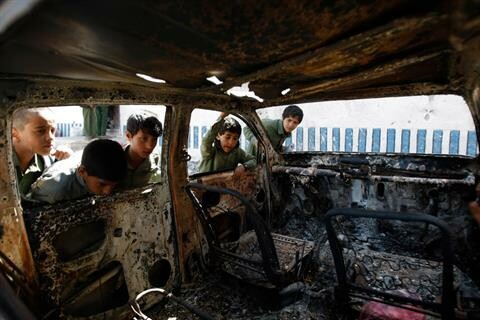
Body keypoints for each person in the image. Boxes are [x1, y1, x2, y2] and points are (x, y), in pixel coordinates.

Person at [29, 139, 127, 204]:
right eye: (102, 184)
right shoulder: (54, 191)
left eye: (113, 185)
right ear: (82, 171)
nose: (108, 192)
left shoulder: (97, 165)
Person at [12, 108, 71, 195]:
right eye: (40, 131)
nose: (50, 137)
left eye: (52, 130)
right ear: (14, 133)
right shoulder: (3, 161)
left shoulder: (52, 160)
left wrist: (68, 161)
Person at [121, 114, 162, 188]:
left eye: (154, 139)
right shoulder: (115, 159)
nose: (150, 146)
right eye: (144, 138)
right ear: (128, 136)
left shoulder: (159, 162)